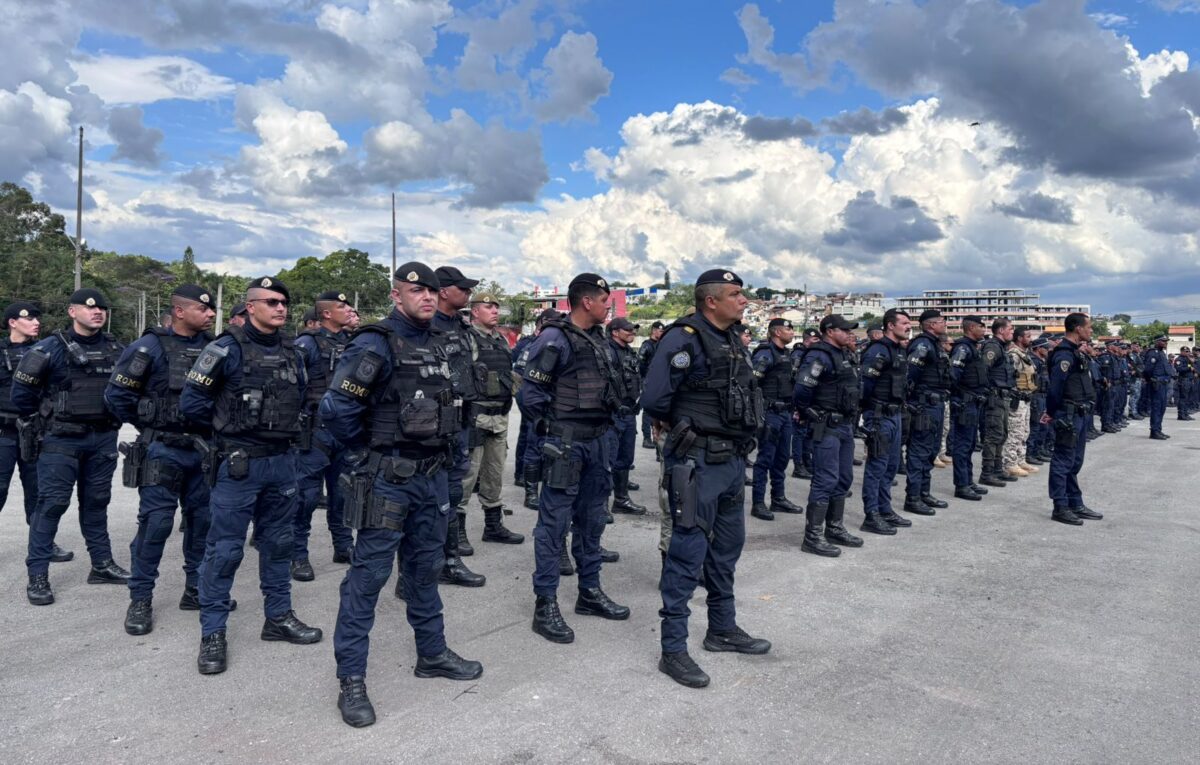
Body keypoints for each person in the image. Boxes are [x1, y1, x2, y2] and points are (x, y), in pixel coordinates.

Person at [321, 262, 483, 728]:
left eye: (433, 290)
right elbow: (337, 407)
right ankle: (351, 679)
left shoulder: (442, 341)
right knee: (367, 579)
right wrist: (367, 454)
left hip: (432, 477)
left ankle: (431, 653)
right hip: (388, 478)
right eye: (417, 290)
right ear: (397, 296)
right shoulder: (375, 341)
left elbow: (458, 404)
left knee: (425, 570)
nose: (428, 297)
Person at [180, 277, 322, 675]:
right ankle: (212, 633)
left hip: (282, 463)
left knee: (279, 545)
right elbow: (192, 403)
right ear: (251, 306)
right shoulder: (224, 349)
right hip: (238, 464)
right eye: (272, 302)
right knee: (224, 550)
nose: (281, 308)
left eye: (285, 303)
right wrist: (230, 428)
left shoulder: (295, 352)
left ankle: (278, 617)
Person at [641, 269, 769, 689]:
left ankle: (722, 628)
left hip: (731, 462)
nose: (744, 300)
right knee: (686, 552)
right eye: (735, 294)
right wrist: (683, 427)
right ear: (710, 300)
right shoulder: (684, 338)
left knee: (727, 550)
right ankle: (673, 649)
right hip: (696, 461)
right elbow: (655, 398)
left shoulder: (730, 338)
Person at [105, 285, 225, 634]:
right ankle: (140, 597)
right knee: (156, 524)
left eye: (211, 310)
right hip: (162, 450)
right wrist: (149, 424)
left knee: (202, 523)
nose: (210, 315)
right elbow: (118, 396)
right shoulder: (149, 347)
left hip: (202, 450)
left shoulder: (214, 349)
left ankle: (195, 588)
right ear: (179, 312)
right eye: (203, 310)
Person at [518, 273, 630, 645]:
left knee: (593, 519)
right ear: (586, 301)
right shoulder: (555, 337)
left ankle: (589, 592)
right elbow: (530, 392)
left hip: (598, 442)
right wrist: (551, 431)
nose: (607, 306)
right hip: (567, 444)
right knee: (553, 525)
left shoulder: (598, 339)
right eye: (603, 300)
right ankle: (545, 603)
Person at [12, 288, 129, 605]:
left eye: (102, 308)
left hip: (103, 438)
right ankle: (38, 575)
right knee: (51, 505)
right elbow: (20, 396)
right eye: (90, 308)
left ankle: (102, 565)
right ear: (72, 312)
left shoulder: (118, 349)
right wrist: (45, 420)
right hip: (61, 440)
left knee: (97, 502)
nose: (97, 312)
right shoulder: (48, 349)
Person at [290, 290, 355, 582]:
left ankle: (343, 546)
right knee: (305, 497)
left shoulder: (351, 342)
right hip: (314, 430)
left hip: (345, 430)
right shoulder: (307, 343)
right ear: (326, 314)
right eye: (342, 306)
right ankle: (298, 555)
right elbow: (291, 387)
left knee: (343, 492)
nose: (348, 309)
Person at [429, 266, 485, 586]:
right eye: (462, 289)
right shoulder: (427, 325)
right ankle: (421, 567)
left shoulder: (461, 326)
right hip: (433, 425)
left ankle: (449, 560)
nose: (467, 294)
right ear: (444, 291)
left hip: (460, 422)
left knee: (451, 493)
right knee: (428, 498)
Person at [793, 315, 865, 557]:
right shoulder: (819, 355)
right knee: (825, 479)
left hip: (844, 425)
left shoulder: (843, 353)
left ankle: (834, 528)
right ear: (830, 331)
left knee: (843, 478)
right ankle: (813, 536)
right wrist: (808, 412)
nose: (849, 334)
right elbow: (803, 387)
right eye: (845, 330)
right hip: (827, 425)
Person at [459, 292, 524, 544]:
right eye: (489, 307)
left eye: (496, 306)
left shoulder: (501, 341)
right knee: (467, 476)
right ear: (475, 311)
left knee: (494, 474)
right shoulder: (467, 339)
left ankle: (493, 526)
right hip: (475, 418)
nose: (495, 310)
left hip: (499, 417)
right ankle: (457, 533)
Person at [0, 302, 58, 552]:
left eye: (37, 318)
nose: (36, 322)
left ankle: (42, 544)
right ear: (13, 322)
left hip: (35, 432)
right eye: (30, 318)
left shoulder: (44, 351)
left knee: (38, 492)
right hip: (3, 433)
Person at [1041, 313, 1103, 525]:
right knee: (1063, 461)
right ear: (1077, 328)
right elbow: (1055, 388)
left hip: (1080, 412)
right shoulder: (1064, 355)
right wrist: (1051, 412)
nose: (1091, 330)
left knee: (1075, 461)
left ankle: (1075, 502)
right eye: (1089, 327)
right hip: (1068, 414)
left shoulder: (1076, 352)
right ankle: (1060, 506)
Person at [859, 308, 913, 535]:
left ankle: (884, 508)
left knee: (891, 466)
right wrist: (867, 413)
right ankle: (871, 515)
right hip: (879, 415)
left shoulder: (897, 350)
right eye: (904, 322)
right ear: (890, 325)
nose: (909, 326)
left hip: (895, 414)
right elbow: (865, 385)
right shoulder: (878, 350)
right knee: (877, 467)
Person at [748, 318, 802, 521]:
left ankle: (778, 498)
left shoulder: (785, 354)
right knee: (765, 459)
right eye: (789, 328)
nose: (792, 331)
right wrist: (757, 414)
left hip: (785, 413)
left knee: (781, 459)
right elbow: (752, 384)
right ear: (777, 332)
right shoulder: (765, 353)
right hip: (770, 414)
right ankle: (758, 503)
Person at [903, 309, 950, 515]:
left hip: (936, 404)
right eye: (941, 321)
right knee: (919, 451)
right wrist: (911, 402)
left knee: (931, 450)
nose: (945, 324)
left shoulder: (934, 344)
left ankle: (924, 492)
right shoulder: (922, 344)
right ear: (931, 325)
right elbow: (910, 375)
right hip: (924, 405)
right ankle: (913, 497)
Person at [513, 309, 560, 505]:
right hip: (536, 401)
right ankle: (529, 489)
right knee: (532, 443)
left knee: (548, 447)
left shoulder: (559, 343)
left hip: (553, 403)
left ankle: (539, 482)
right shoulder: (531, 344)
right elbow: (518, 373)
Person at [606, 317, 648, 517]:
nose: (632, 332)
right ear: (615, 332)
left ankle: (621, 500)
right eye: (628, 330)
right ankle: (600, 505)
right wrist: (616, 405)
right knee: (607, 461)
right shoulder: (607, 351)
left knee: (625, 458)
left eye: (633, 329)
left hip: (629, 413)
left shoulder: (629, 352)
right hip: (613, 415)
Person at [948, 316, 990, 501]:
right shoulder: (963, 348)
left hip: (974, 403)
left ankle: (969, 481)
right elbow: (953, 376)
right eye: (982, 326)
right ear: (972, 327)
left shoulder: (973, 347)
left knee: (971, 444)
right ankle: (962, 485)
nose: (984, 329)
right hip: (965, 403)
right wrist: (960, 397)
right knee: (962, 445)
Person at [979, 318, 1016, 486]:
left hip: (1003, 397)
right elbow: (983, 371)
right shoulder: (993, 347)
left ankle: (997, 469)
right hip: (994, 398)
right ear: (1001, 330)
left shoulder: (1001, 347)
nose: (1012, 332)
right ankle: (987, 473)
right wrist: (989, 392)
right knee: (993, 435)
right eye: (1010, 329)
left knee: (1002, 434)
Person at [1002, 326, 1039, 479]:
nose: (1030, 339)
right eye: (1028, 336)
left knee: (1024, 431)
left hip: (1026, 398)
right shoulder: (1014, 355)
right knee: (1014, 432)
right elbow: (1009, 377)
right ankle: (1010, 463)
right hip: (1016, 399)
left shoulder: (1025, 355)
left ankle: (1020, 460)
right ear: (1019, 338)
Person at [790, 328, 820, 480]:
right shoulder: (799, 354)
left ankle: (807, 463)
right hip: (799, 402)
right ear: (807, 340)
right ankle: (798, 465)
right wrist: (797, 406)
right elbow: (795, 380)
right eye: (815, 340)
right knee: (800, 435)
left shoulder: (813, 356)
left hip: (809, 402)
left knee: (808, 434)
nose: (818, 343)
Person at [638, 321, 665, 449]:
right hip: (648, 381)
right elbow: (640, 365)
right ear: (654, 331)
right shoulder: (647, 345)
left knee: (658, 410)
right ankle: (647, 438)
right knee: (648, 411)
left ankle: (657, 438)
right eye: (660, 331)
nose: (662, 333)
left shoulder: (661, 344)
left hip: (659, 381)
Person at [1143, 335, 1173, 439]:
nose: (1166, 343)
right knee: (1156, 408)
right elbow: (1147, 370)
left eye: (1166, 341)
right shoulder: (1153, 353)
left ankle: (1158, 429)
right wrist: (1151, 380)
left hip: (1163, 384)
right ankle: (1154, 431)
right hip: (1157, 384)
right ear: (1157, 341)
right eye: (1163, 341)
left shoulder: (1161, 353)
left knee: (1162, 408)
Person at [1174, 347, 1195, 421]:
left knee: (1188, 398)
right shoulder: (1179, 359)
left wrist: (1191, 362)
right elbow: (1179, 369)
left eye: (1188, 351)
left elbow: (1192, 367)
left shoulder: (1187, 359)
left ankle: (1186, 413)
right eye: (1186, 351)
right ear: (1181, 351)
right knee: (1183, 398)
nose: (1188, 352)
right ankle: (1181, 415)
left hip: (1189, 380)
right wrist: (1189, 368)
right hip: (1184, 380)